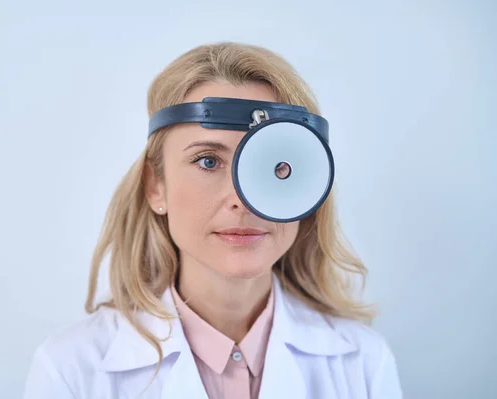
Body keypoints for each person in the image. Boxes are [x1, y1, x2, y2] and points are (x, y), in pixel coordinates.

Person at [23, 42, 403, 399]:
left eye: (277, 165)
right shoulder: (71, 372)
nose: (242, 199)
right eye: (208, 160)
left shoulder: (363, 365)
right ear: (157, 186)